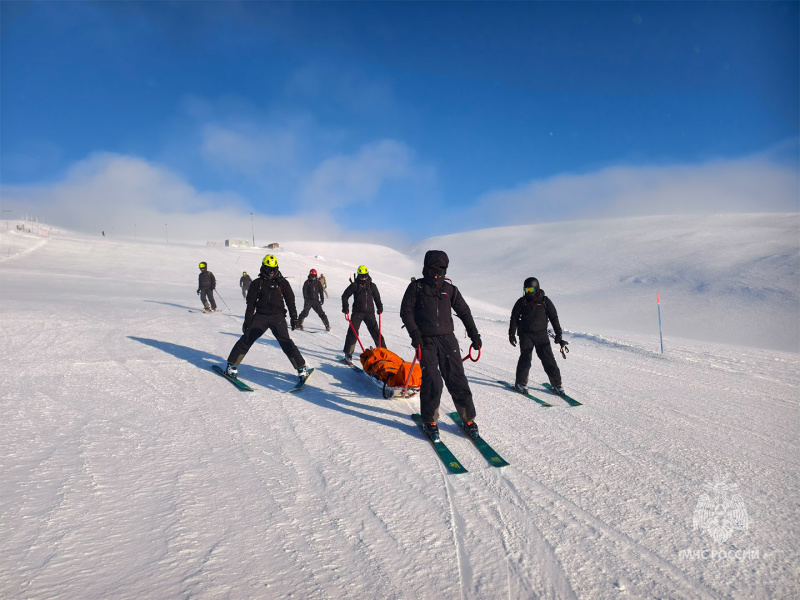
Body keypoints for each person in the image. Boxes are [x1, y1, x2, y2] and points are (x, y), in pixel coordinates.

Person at [400, 250, 482, 441]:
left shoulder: (449, 289)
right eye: (433, 268)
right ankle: (429, 419)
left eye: (441, 268)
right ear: (426, 268)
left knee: (457, 378)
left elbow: (464, 312)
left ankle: (468, 419)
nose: (437, 272)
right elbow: (406, 312)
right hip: (426, 340)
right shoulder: (416, 287)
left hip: (448, 339)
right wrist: (416, 336)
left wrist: (474, 335)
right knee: (433, 380)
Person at [224, 254, 308, 381]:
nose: (272, 271)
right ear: (263, 267)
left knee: (286, 341)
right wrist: (247, 320)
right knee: (247, 338)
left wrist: (294, 318)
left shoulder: (283, 283)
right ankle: (231, 365)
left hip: (278, 317)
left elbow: (290, 300)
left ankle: (301, 367)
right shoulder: (257, 283)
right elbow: (251, 303)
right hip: (261, 316)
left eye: (274, 268)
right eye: (269, 269)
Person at [508, 277, 567, 395]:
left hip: (541, 335)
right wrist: (511, 333)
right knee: (526, 358)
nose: (528, 292)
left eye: (530, 289)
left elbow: (554, 318)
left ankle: (557, 385)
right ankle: (520, 383)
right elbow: (514, 317)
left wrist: (558, 334)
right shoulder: (522, 302)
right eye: (526, 290)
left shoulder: (545, 301)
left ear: (536, 288)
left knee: (548, 359)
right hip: (526, 335)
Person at [341, 265, 386, 362]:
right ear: (358, 275)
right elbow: (345, 296)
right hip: (357, 313)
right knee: (353, 332)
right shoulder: (355, 285)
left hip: (370, 313)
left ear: (368, 274)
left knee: (376, 333)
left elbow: (377, 298)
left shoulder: (372, 285)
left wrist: (379, 307)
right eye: (361, 276)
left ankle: (384, 353)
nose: (363, 278)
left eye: (365, 275)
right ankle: (348, 354)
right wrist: (346, 307)